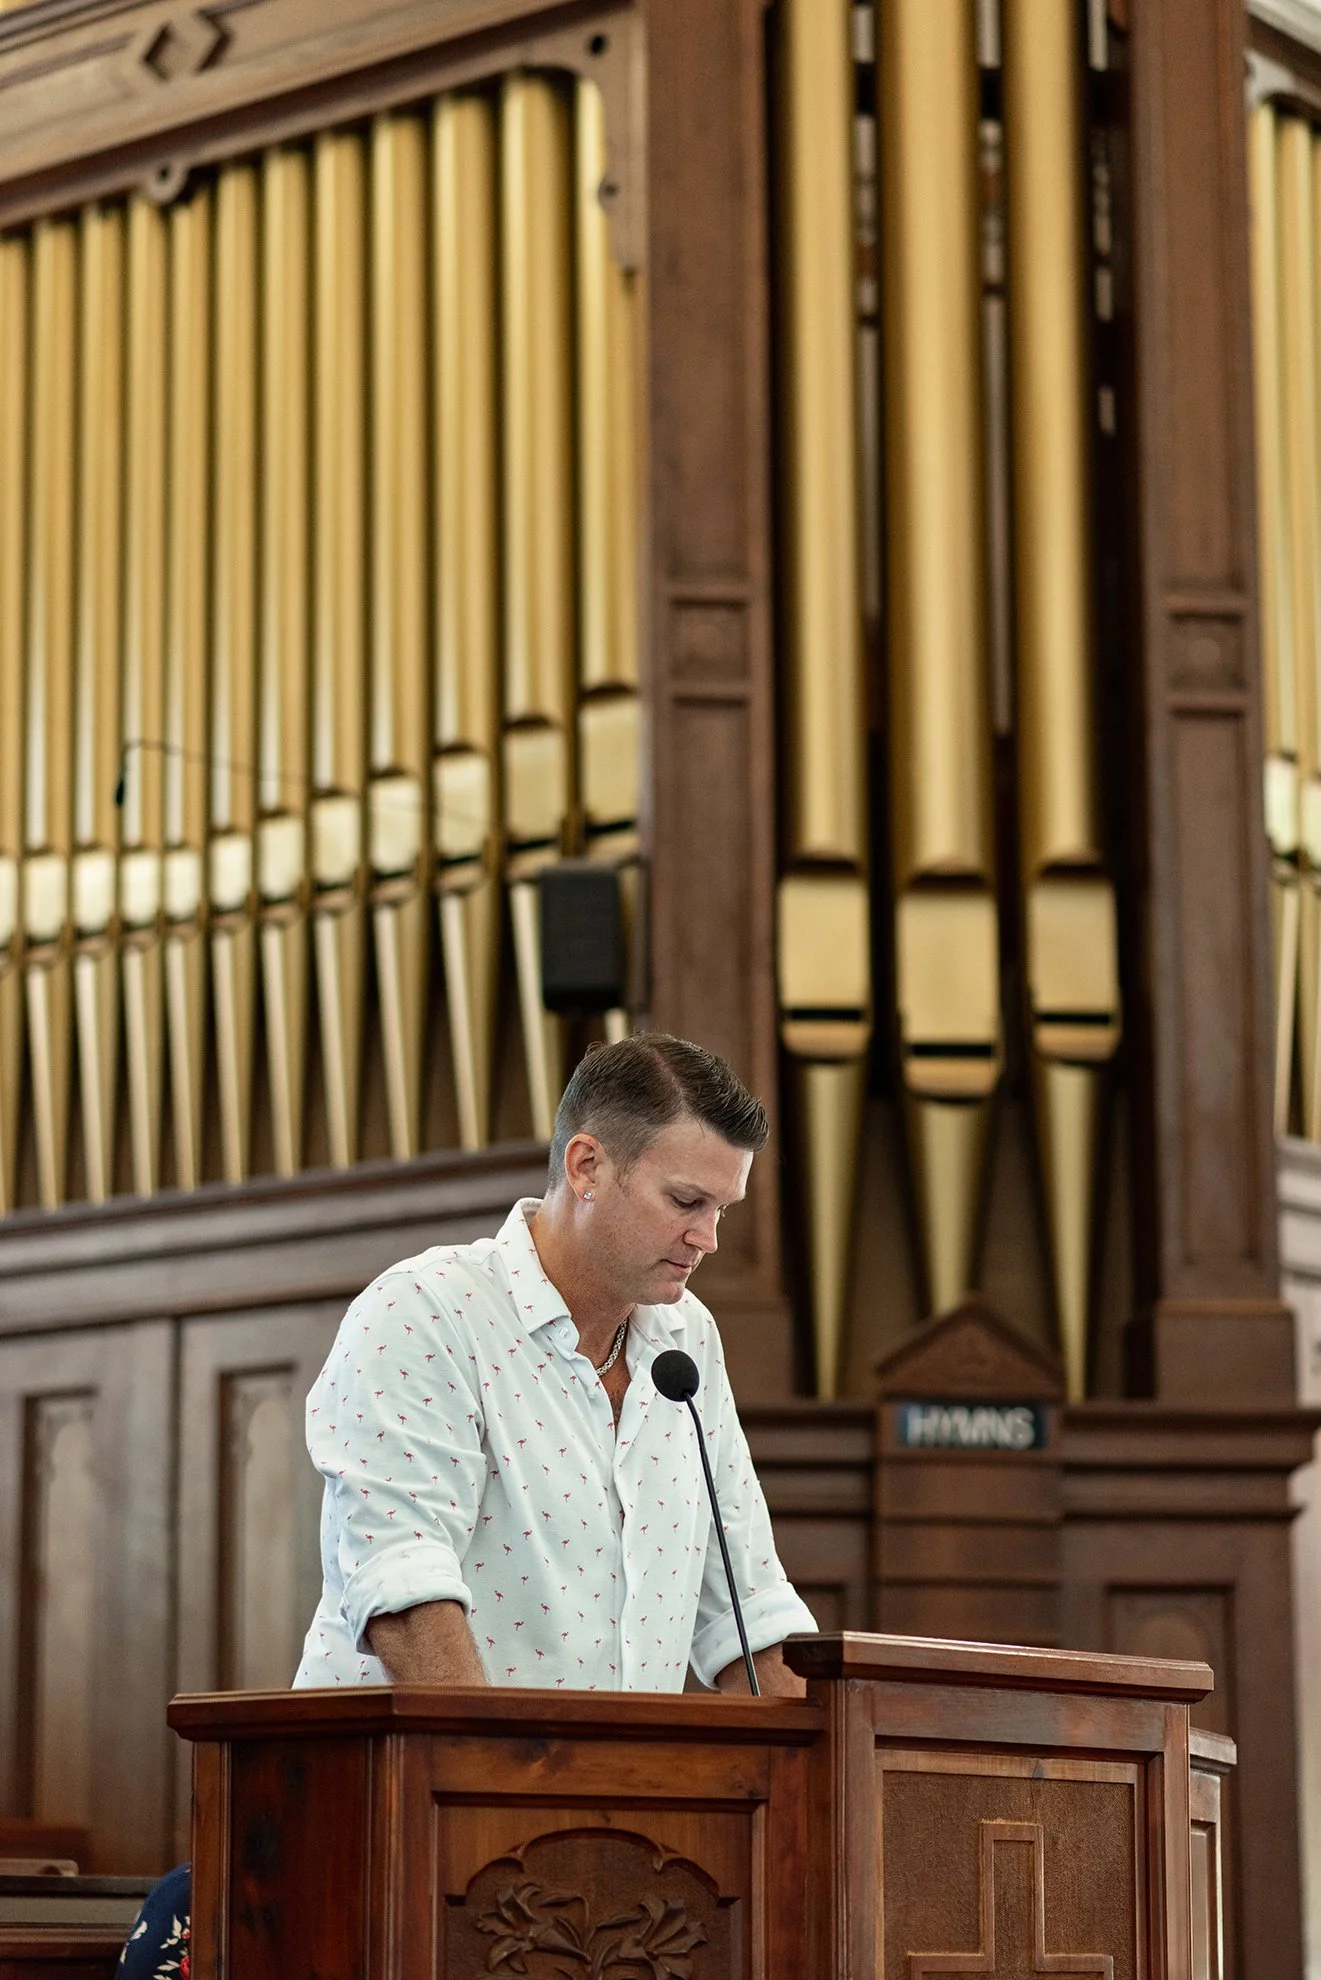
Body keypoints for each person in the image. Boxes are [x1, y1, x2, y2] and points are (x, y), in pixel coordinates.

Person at [293, 1032, 817, 1693]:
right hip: (410, 1756)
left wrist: (817, 1756)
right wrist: (501, 1759)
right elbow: (404, 1587)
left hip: (603, 1762)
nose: (707, 1239)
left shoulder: (689, 1339)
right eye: (686, 1202)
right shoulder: (425, 1311)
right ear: (586, 1166)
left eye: (720, 1209)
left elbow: (748, 1612)